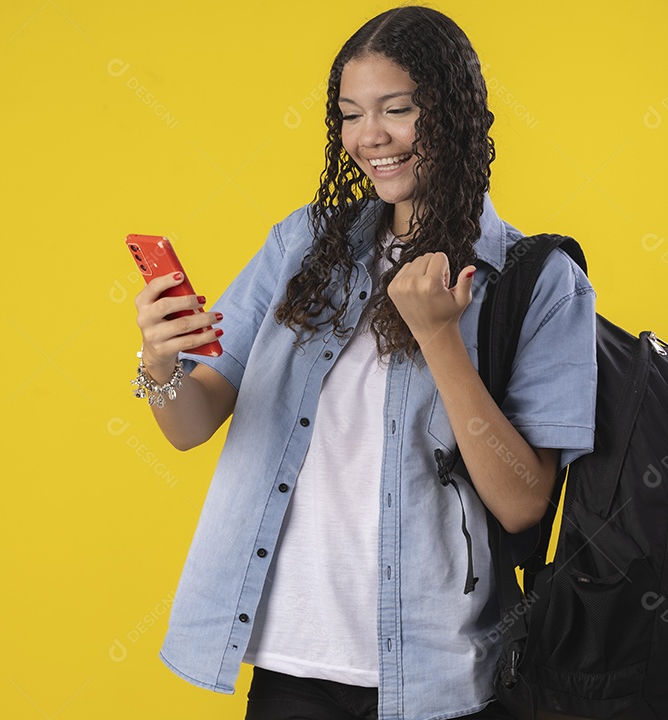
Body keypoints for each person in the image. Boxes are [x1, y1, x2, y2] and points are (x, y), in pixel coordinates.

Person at [132, 6, 597, 719]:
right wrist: (161, 363)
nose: (369, 136)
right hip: (290, 667)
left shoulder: (537, 280)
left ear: (456, 113)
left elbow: (523, 501)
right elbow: (192, 423)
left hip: (438, 679)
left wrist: (440, 337)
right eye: (350, 114)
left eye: (398, 109)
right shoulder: (301, 247)